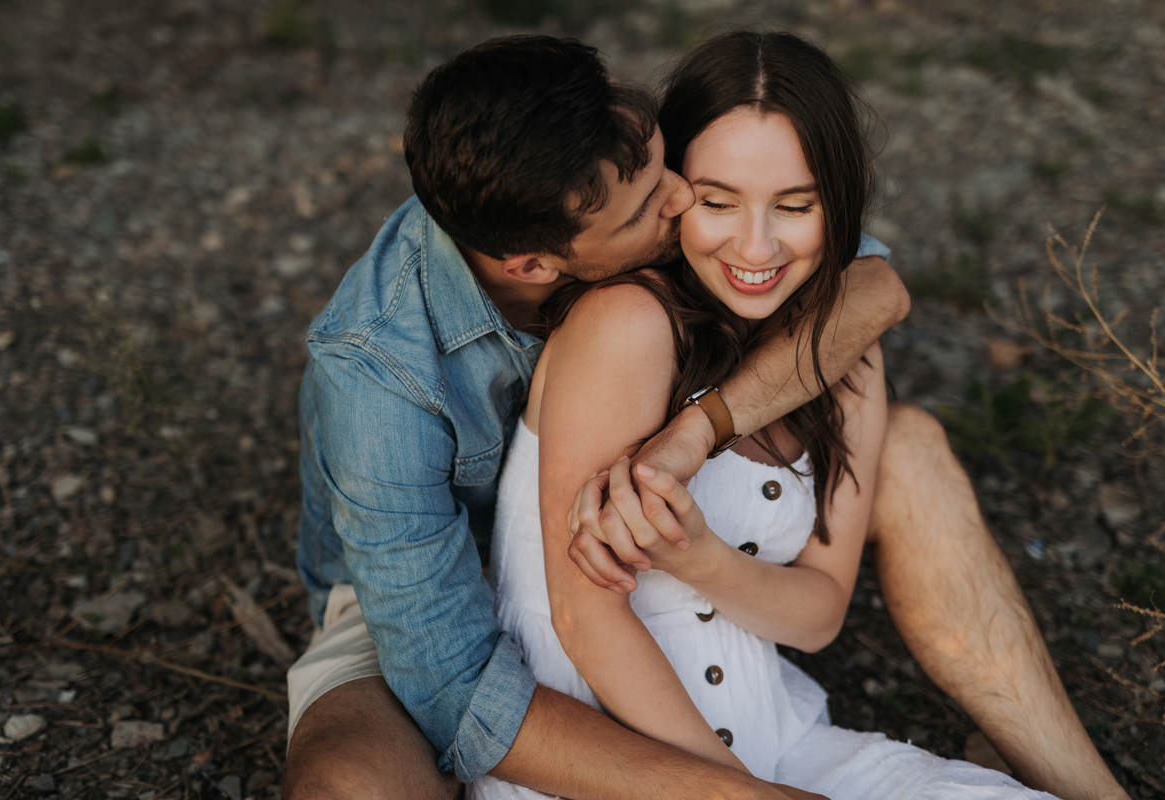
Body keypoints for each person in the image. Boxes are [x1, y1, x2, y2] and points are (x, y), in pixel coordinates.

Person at [282, 34, 1127, 800]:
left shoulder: (623, 176)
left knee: (911, 444)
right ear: (537, 264)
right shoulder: (379, 374)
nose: (682, 197)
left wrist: (697, 434)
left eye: (671, 168)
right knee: (350, 784)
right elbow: (454, 683)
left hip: (674, 604)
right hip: (439, 594)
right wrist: (733, 792)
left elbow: (868, 286)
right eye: (658, 203)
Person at [470, 30, 1055, 799]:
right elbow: (584, 622)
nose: (756, 245)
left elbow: (817, 615)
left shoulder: (846, 353)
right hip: (613, 772)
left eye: (795, 205)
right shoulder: (628, 325)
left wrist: (699, 557)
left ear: (837, 202)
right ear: (673, 191)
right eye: (717, 202)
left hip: (782, 745)